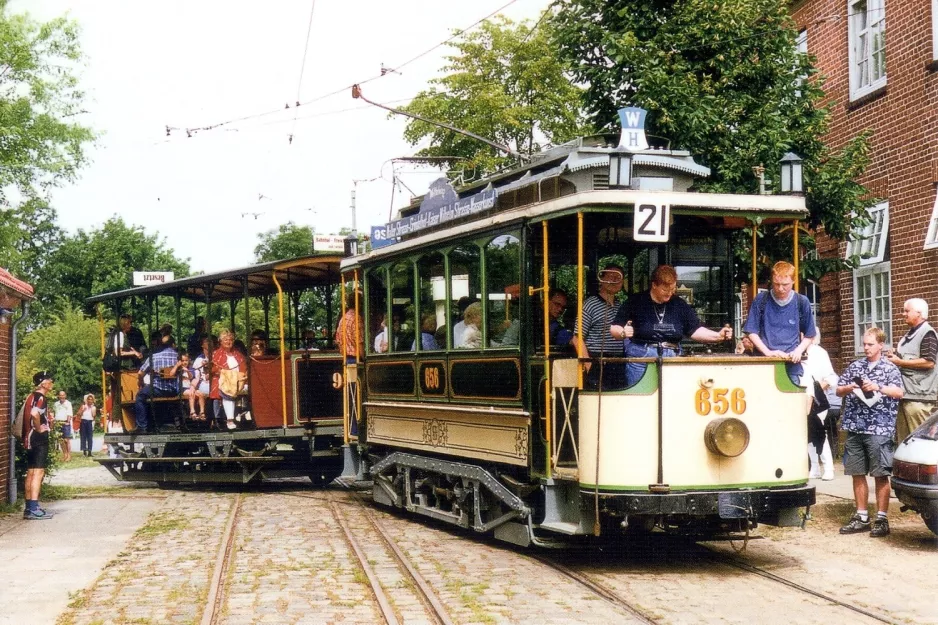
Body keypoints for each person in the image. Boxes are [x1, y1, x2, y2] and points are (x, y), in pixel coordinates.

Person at [611, 265, 732, 387]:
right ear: (654, 285)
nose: (669, 293)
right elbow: (614, 328)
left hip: (673, 358)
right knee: (641, 397)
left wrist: (718, 335)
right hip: (641, 358)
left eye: (673, 289)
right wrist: (623, 333)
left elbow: (695, 330)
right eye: (665, 290)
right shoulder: (635, 301)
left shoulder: (679, 304)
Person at [836, 327, 903, 538]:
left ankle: (881, 517)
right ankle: (862, 516)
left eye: (870, 344)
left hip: (879, 427)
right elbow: (838, 388)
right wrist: (850, 388)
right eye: (864, 344)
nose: (866, 348)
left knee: (880, 473)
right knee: (857, 472)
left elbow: (899, 392)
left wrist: (878, 387)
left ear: (880, 345)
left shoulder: (889, 368)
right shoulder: (856, 366)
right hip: (856, 425)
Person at [743, 261, 816, 384]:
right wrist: (768, 353)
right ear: (772, 280)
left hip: (791, 365)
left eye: (785, 284)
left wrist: (798, 350)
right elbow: (751, 331)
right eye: (776, 284)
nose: (780, 288)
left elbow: (810, 334)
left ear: (793, 281)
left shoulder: (801, 302)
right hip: (763, 363)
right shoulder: (761, 300)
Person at [886, 298, 938, 442]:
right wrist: (896, 355)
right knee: (905, 443)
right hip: (906, 395)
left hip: (919, 399)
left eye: (907, 311)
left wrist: (900, 361)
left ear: (919, 313)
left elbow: (929, 362)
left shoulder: (927, 333)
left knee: (920, 443)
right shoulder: (908, 335)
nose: (904, 314)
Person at [573, 264, 631, 389]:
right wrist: (588, 364)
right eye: (610, 276)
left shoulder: (620, 306)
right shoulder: (590, 304)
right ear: (602, 279)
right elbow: (577, 338)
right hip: (598, 363)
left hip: (618, 364)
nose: (614, 281)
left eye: (618, 278)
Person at [800, 331, 838, 480]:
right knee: (808, 434)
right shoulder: (797, 351)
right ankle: (814, 468)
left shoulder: (820, 353)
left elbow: (831, 377)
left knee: (820, 432)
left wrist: (816, 389)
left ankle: (828, 468)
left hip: (818, 400)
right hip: (802, 398)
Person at [22, 372, 54, 520]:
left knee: (31, 472)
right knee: (38, 472)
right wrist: (39, 427)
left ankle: (29, 507)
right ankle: (35, 508)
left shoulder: (31, 396)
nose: (52, 382)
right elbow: (35, 414)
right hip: (38, 438)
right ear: (43, 383)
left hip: (28, 438)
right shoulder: (41, 397)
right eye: (49, 380)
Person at [134, 333, 179, 433]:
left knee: (140, 396)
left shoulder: (154, 357)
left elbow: (140, 373)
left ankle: (142, 426)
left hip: (157, 389)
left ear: (161, 345)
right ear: (173, 345)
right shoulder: (179, 357)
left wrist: (140, 383)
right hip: (174, 390)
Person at [211, 329, 246, 430]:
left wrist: (240, 377)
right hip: (222, 380)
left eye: (230, 339)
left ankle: (244, 418)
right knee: (227, 390)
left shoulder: (238, 354)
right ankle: (230, 420)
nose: (228, 342)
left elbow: (244, 367)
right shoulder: (216, 354)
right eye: (225, 340)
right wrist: (228, 376)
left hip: (239, 381)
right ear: (220, 342)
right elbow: (214, 369)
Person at [336, 291, 364, 363]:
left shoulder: (343, 319)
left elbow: (338, 340)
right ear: (359, 304)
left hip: (346, 358)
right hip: (356, 359)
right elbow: (359, 341)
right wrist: (364, 358)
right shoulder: (356, 318)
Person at [191, 336, 212, 420]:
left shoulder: (216, 356)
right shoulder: (199, 359)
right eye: (207, 342)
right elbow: (196, 376)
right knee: (206, 390)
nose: (209, 344)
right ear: (203, 346)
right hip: (203, 382)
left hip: (215, 381)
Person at [52, 390, 73, 462]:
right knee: (61, 440)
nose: (61, 396)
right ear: (58, 396)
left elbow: (69, 414)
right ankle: (65, 454)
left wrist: (67, 421)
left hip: (65, 422)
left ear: (65, 396)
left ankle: (69, 455)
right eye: (60, 395)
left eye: (63, 395)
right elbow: (54, 413)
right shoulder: (55, 404)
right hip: (58, 423)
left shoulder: (68, 403)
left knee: (66, 440)